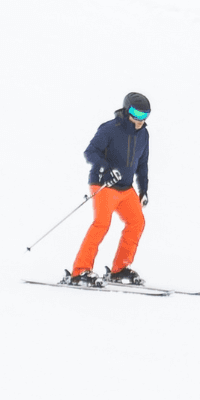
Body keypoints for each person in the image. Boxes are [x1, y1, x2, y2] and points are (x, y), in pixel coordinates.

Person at [67, 92, 151, 287]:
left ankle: (120, 269)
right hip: (103, 184)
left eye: (144, 115)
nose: (140, 120)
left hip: (126, 188)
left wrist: (144, 189)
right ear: (126, 109)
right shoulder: (109, 129)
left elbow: (143, 164)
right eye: (136, 114)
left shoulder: (144, 135)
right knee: (102, 224)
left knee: (137, 222)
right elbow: (90, 152)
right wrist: (106, 168)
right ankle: (80, 271)